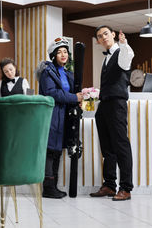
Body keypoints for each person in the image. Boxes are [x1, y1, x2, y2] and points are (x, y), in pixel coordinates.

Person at [90, 26, 134, 201]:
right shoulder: (105, 58)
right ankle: (109, 185)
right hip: (104, 104)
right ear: (98, 41)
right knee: (107, 147)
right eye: (100, 36)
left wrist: (124, 44)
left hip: (117, 104)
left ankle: (126, 188)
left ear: (113, 35)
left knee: (121, 145)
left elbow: (125, 60)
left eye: (106, 34)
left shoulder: (122, 52)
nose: (103, 37)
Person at [36, 37, 83, 199]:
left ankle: (53, 186)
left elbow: (71, 93)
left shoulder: (68, 73)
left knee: (57, 152)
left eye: (65, 52)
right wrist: (74, 98)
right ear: (53, 55)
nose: (63, 54)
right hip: (51, 115)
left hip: (63, 117)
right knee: (50, 151)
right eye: (59, 52)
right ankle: (48, 188)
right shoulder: (47, 72)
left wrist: (79, 100)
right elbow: (52, 93)